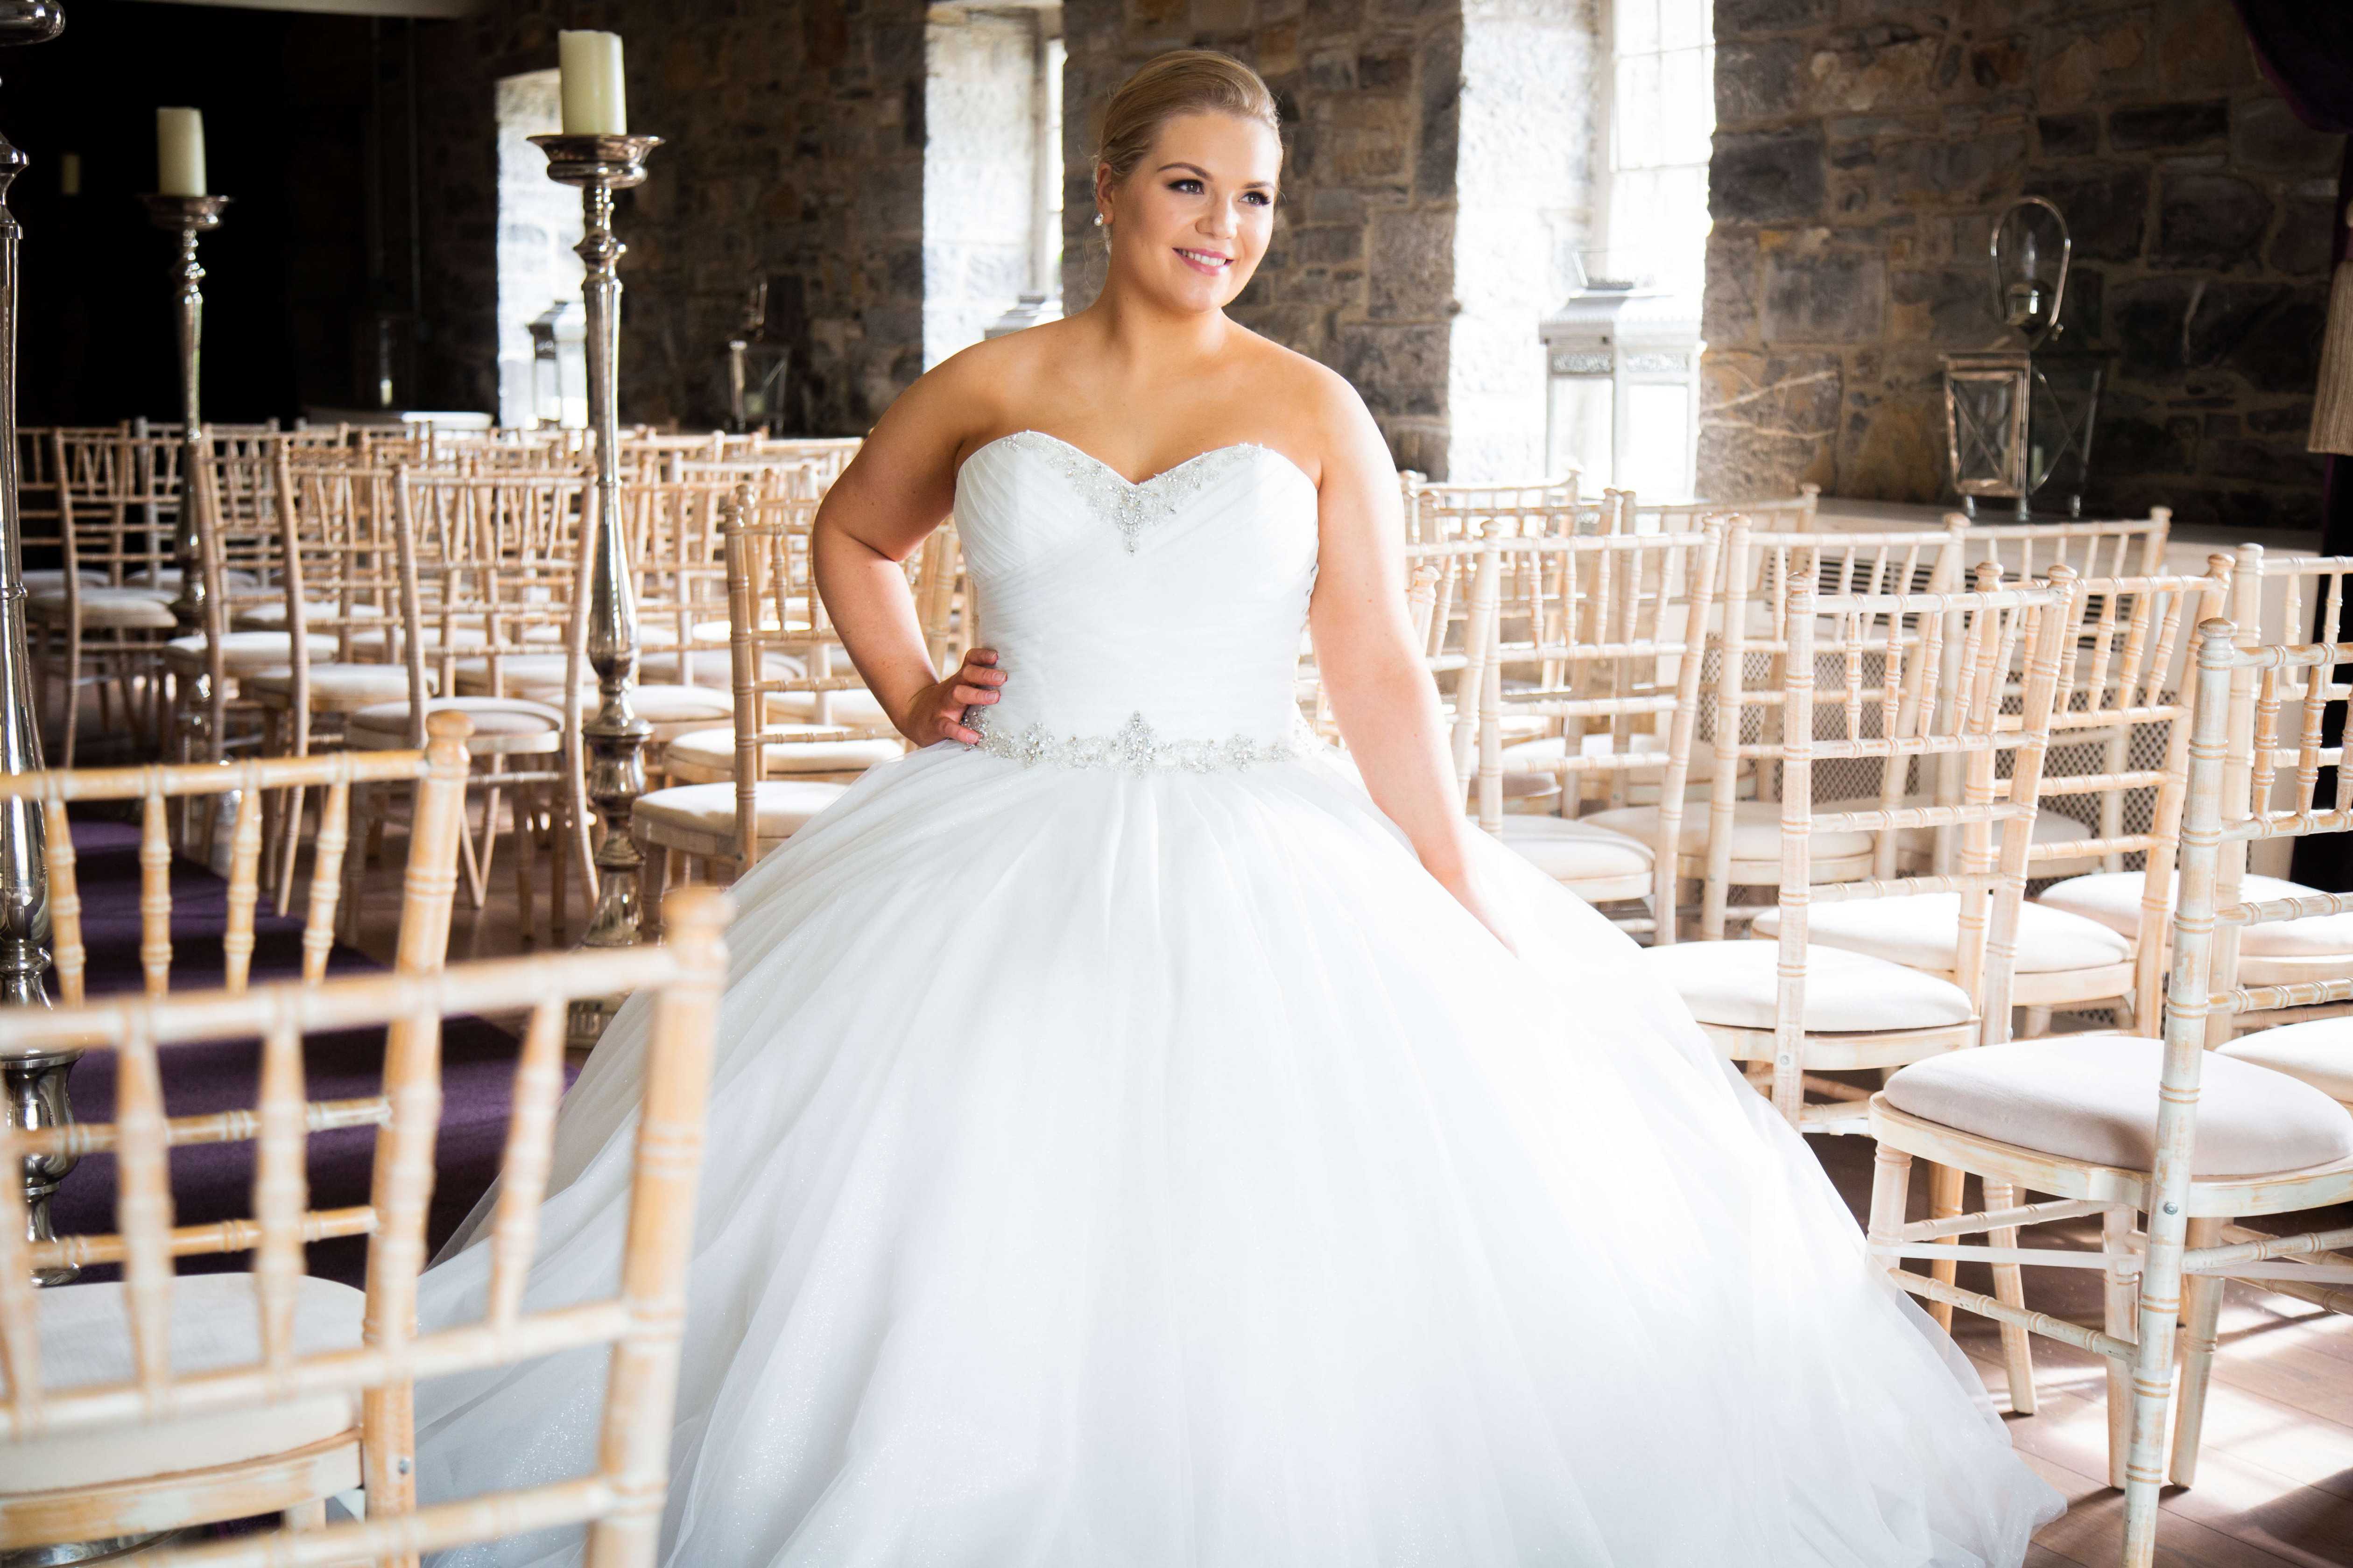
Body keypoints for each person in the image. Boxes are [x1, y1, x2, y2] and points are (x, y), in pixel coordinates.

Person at [414, 49, 2062, 1567]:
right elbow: (851, 533)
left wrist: (1451, 881)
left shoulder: (1311, 404)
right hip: (996, 831)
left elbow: (1378, 666)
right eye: (1191, 184)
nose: (1226, 226)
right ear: (1110, 189)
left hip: (1257, 829)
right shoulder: (990, 382)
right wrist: (914, 694)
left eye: (1257, 197)